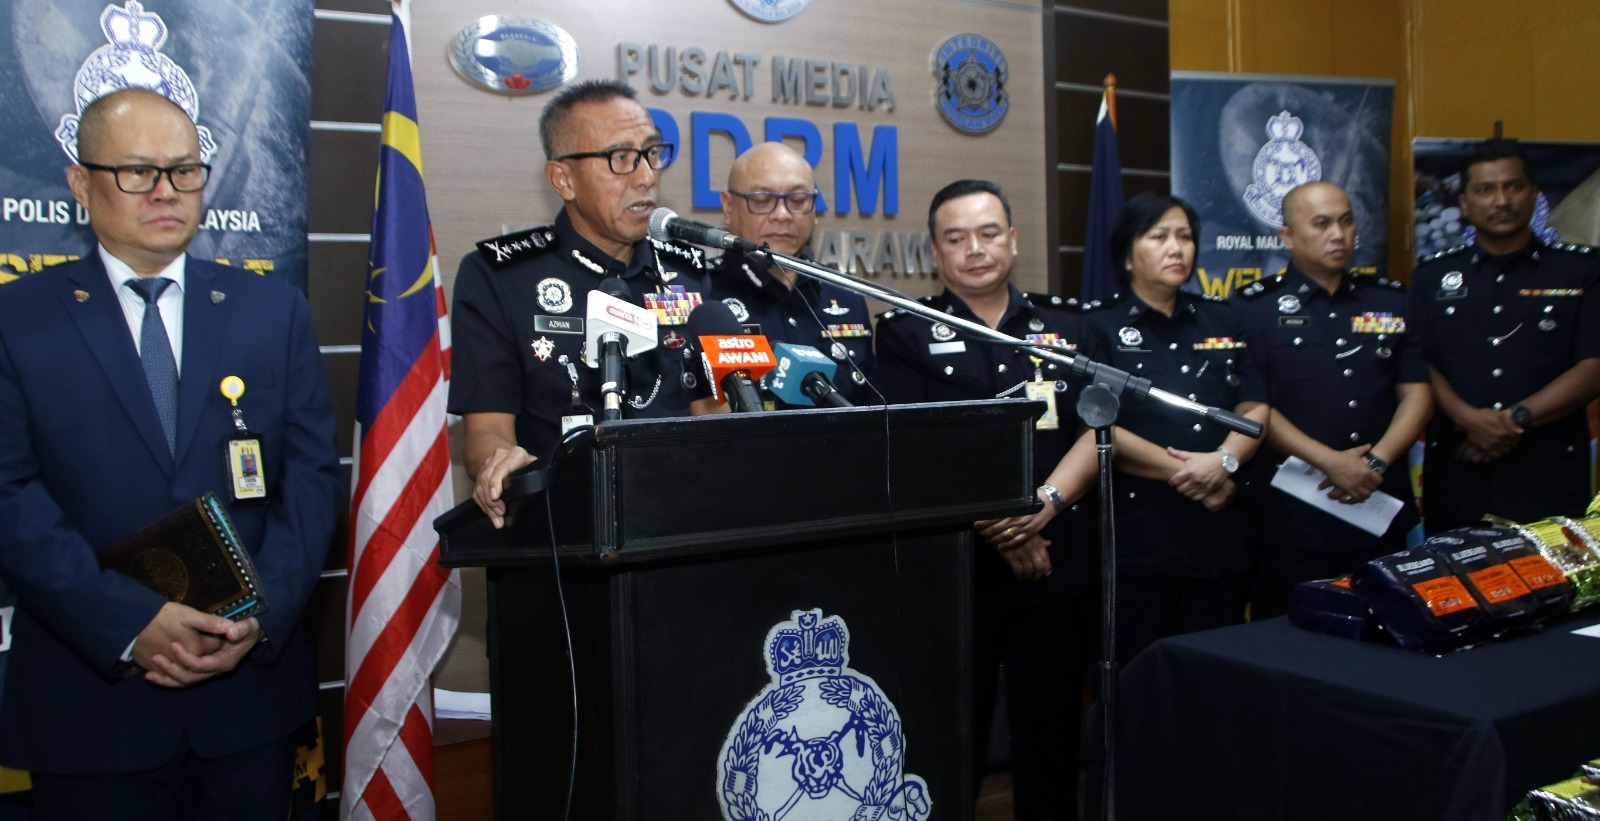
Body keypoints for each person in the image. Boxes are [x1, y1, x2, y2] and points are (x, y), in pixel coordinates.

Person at [0, 88, 341, 819]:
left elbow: (312, 478)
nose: (166, 191)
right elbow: (9, 496)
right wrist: (129, 622)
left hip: (246, 699)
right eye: (138, 172)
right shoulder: (16, 318)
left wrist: (258, 615)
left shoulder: (271, 310)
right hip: (91, 702)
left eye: (184, 170)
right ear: (80, 183)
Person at [875, 180, 1097, 820]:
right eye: (956, 238)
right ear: (935, 253)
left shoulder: (1068, 325)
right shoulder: (905, 333)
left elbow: (1095, 430)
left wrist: (1043, 506)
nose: (975, 248)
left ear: (1014, 240)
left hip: (1058, 562)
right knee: (952, 740)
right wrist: (1009, 529)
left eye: (989, 233)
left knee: (1052, 737)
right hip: (957, 574)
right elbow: (916, 446)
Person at [448, 79, 716, 527]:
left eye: (652, 153)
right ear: (564, 179)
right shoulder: (501, 276)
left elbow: (712, 409)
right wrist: (502, 462)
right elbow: (486, 431)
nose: (647, 177)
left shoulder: (687, 272)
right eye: (621, 158)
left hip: (686, 517)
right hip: (564, 527)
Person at [1081, 193, 1268, 661]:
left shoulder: (1224, 317)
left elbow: (1255, 405)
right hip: (1144, 537)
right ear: (1127, 255)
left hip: (1221, 533)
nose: (1176, 248)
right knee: (1140, 673)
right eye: (1159, 236)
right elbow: (1099, 429)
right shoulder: (1096, 327)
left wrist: (1223, 462)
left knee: (1219, 672)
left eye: (1184, 237)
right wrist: (1197, 474)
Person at [1236, 181, 1432, 618]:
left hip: (1377, 502)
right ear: (1287, 236)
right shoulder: (1253, 309)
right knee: (1287, 636)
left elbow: (1417, 394)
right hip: (1292, 515)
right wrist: (1332, 463)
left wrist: (1374, 463)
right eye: (1321, 224)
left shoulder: (1391, 300)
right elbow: (1252, 405)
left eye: (1346, 221)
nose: (1338, 235)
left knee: (1382, 635)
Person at [1409, 139, 1600, 532]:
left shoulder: (1580, 271)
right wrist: (1468, 419)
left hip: (1548, 480)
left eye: (1513, 186)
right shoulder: (1431, 277)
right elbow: (1417, 362)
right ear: (1464, 203)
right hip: (1459, 477)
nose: (1501, 201)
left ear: (1534, 194)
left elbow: (1593, 367)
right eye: (1485, 190)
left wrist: (1515, 419)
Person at [706, 142, 878, 406]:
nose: (782, 214)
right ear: (728, 207)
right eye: (762, 201)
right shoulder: (706, 295)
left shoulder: (846, 297)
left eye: (797, 200)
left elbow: (873, 408)